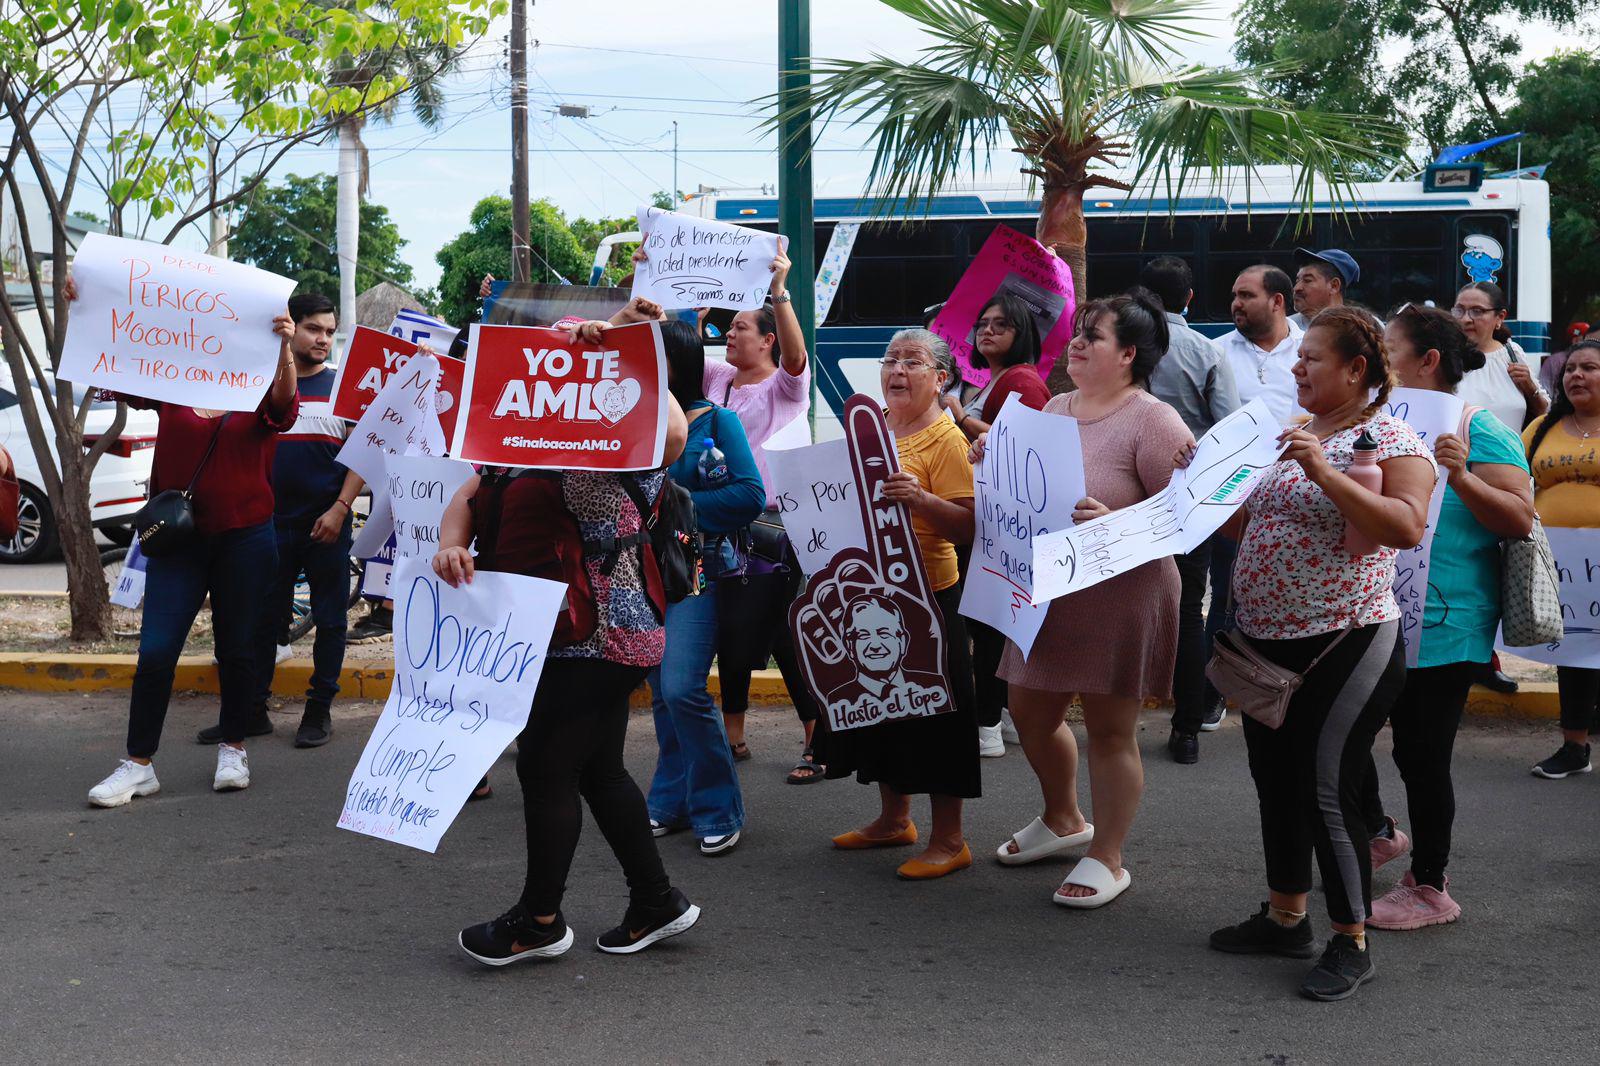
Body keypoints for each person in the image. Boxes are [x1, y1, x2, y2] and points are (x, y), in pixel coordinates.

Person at [1207, 307, 1435, 1001]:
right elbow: (1262, 522)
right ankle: (1285, 917)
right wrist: (1206, 488)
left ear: (1355, 370)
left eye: (1311, 359)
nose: (1297, 369)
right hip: (1267, 643)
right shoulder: (1300, 434)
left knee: (1322, 788)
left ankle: (1351, 937)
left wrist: (1325, 472)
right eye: (1297, 360)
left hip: (1347, 639)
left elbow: (1403, 525)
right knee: (1274, 780)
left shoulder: (1390, 437)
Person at [438, 397, 703, 965]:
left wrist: (629, 349)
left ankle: (538, 922)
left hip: (608, 631)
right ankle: (656, 901)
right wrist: (452, 544)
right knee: (600, 771)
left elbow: (674, 436)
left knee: (544, 765)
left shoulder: (612, 445)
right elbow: (467, 496)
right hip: (548, 634)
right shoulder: (512, 448)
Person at [982, 290, 1192, 908]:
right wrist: (990, 458)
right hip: (1049, 593)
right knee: (1030, 712)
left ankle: (1108, 856)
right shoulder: (1053, 407)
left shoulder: (1154, 420)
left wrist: (1115, 519)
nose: (1077, 343)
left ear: (1128, 353)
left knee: (1110, 731)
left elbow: (1183, 517)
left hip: (1120, 595)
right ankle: (1063, 818)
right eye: (1078, 333)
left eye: (1093, 336)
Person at [1357, 305, 1534, 930]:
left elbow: (1519, 516)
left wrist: (1458, 475)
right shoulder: (1373, 422)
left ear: (1427, 361)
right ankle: (1379, 829)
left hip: (1448, 618)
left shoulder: (1476, 427)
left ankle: (1430, 885)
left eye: (1387, 350)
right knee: (1346, 734)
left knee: (1421, 753)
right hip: (1375, 608)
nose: (1375, 362)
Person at [87, 307, 301, 806]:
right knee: (157, 651)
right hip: (180, 543)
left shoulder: (258, 384)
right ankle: (138, 765)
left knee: (238, 647)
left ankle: (233, 747)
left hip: (246, 536)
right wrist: (84, 305)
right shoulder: (175, 381)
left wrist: (285, 347)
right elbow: (109, 372)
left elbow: (285, 407)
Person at [625, 250, 821, 780]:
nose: (728, 336)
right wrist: (651, 277)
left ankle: (814, 739)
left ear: (767, 341)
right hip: (708, 535)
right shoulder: (718, 382)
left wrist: (779, 290)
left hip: (767, 526)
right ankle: (732, 736)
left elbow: (799, 359)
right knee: (728, 638)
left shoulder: (784, 387)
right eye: (727, 329)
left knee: (778, 634)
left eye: (738, 328)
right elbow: (672, 349)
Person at [819, 328, 979, 880]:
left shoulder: (947, 438)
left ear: (940, 379)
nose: (898, 370)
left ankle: (951, 839)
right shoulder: (876, 430)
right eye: (891, 360)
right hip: (875, 596)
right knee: (885, 705)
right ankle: (894, 820)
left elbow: (970, 526)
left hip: (930, 595)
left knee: (940, 716)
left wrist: (921, 498)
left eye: (913, 361)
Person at [195, 292, 359, 749]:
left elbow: (363, 455)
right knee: (263, 621)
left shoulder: (343, 386)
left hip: (327, 521)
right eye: (314, 328)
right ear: (290, 327)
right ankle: (251, 712)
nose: (323, 338)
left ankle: (318, 710)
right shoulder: (259, 383)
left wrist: (340, 508)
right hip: (266, 523)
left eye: (329, 330)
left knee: (329, 621)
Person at [646, 320, 765, 856]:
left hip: (695, 572)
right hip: (639, 574)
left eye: (650, 357)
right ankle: (672, 799)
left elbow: (748, 495)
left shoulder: (719, 421)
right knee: (661, 698)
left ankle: (719, 807)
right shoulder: (630, 421)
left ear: (676, 364)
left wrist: (676, 510)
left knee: (681, 689)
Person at [938, 293, 1052, 758]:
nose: (987, 331)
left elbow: (1026, 443)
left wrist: (962, 417)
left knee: (987, 625)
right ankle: (999, 716)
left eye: (1000, 325)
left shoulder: (1021, 379)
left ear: (1021, 333)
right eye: (982, 323)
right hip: (993, 518)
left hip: (1004, 523)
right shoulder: (999, 379)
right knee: (990, 624)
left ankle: (986, 724)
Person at [1140, 256, 1242, 764]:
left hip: (1123, 499)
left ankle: (1113, 722)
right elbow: (1228, 428)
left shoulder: (1125, 346)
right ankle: (1186, 729)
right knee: (1184, 614)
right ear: (1190, 298)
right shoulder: (1206, 351)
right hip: (1187, 501)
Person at [1521, 339, 1600, 779]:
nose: (1576, 376)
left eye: (1589, 367)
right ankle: (1574, 747)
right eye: (1570, 369)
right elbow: (1516, 481)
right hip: (1561, 566)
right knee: (1575, 651)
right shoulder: (1543, 428)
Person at [1452, 281, 1549, 432]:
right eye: (1459, 310)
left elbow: (1543, 412)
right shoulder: (1444, 358)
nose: (1466, 319)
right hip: (1460, 455)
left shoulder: (1512, 353)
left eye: (1477, 311)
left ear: (1500, 317)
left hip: (1511, 454)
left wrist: (1529, 387)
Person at [1217, 264, 1303, 427]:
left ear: (1277, 302)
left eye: (1246, 296)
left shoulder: (1311, 350)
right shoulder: (1215, 353)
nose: (1236, 304)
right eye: (1234, 296)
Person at [1289, 248, 1371, 331]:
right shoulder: (1285, 328)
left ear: (1334, 286)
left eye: (1307, 280)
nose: (1296, 288)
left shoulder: (1366, 327)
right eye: (1297, 280)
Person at [1536, 321, 1593, 398]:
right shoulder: (1555, 361)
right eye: (1587, 338)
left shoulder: (1594, 359)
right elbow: (1544, 391)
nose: (1592, 342)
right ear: (1575, 340)